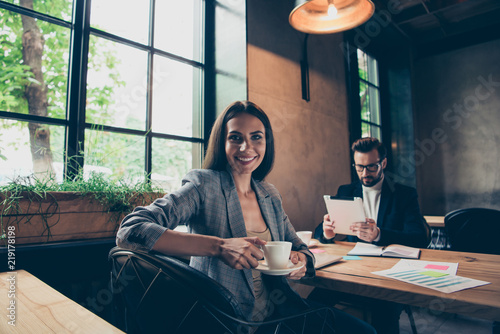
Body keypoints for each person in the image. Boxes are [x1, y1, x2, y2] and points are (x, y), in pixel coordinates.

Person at [116, 101, 375, 334]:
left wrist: (300, 262)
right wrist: (219, 246)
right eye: (235, 138)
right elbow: (130, 230)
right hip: (223, 321)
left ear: (266, 143)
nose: (246, 147)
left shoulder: (269, 194)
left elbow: (299, 247)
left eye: (256, 137)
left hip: (277, 316)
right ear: (223, 143)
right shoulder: (204, 185)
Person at [310, 137, 431, 334]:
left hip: (390, 277)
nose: (364, 173)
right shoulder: (346, 190)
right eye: (359, 167)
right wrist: (326, 232)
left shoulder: (404, 194)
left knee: (384, 317)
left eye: (371, 167)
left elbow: (419, 237)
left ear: (383, 163)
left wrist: (379, 235)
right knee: (313, 305)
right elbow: (319, 233)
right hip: (351, 272)